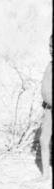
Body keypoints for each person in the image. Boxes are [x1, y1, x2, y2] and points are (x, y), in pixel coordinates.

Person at [38, 38, 52, 181]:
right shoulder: (49, 65)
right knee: (43, 140)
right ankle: (45, 175)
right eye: (49, 46)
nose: (51, 49)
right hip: (48, 109)